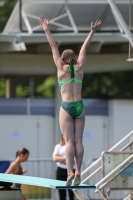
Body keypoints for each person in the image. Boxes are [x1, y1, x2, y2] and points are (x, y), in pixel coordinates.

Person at [39, 16, 102, 186]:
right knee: (79, 142)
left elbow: (53, 46)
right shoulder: (80, 67)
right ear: (74, 58)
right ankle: (79, 172)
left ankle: (69, 173)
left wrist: (46, 29)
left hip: (66, 107)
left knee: (69, 142)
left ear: (64, 58)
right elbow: (84, 49)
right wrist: (91, 32)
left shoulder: (60, 67)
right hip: (79, 107)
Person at [53, 134, 75, 200]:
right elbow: (55, 159)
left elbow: (74, 160)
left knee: (72, 192)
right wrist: (67, 158)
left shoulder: (74, 146)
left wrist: (60, 159)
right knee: (61, 192)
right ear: (62, 136)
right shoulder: (58, 146)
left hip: (71, 170)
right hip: (60, 170)